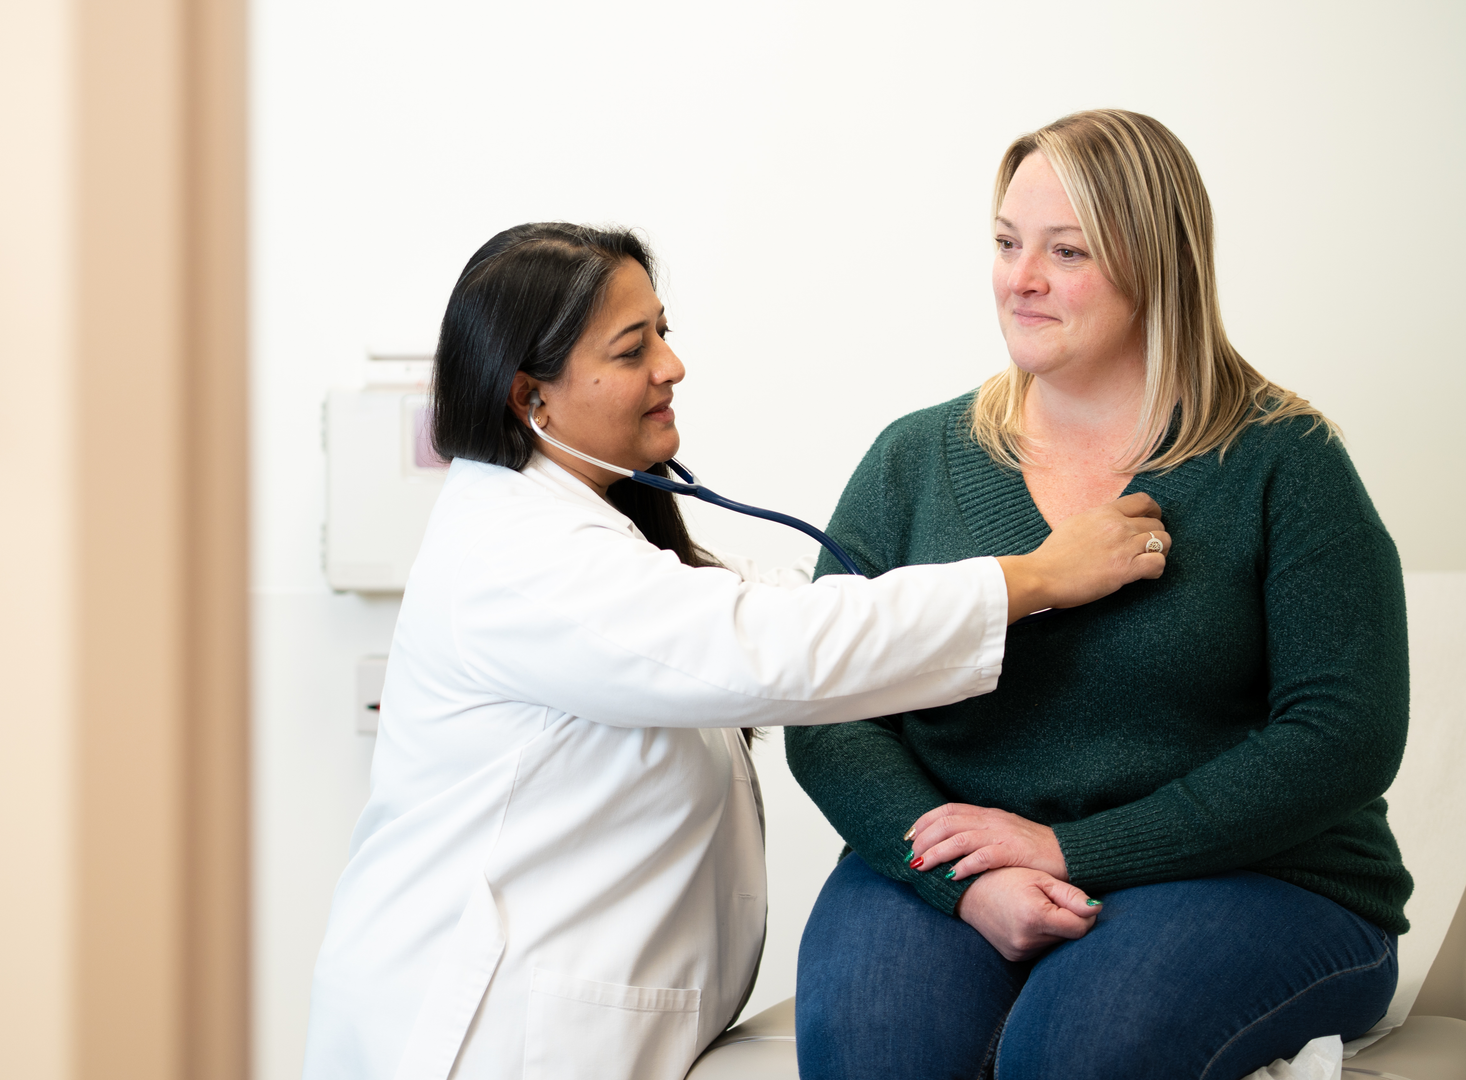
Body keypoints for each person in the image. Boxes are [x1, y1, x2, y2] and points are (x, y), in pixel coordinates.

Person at [301, 222, 1169, 1080]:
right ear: (532, 396)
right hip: (488, 1038)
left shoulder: (583, 531)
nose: (671, 367)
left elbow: (778, 602)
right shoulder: (516, 561)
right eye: (633, 349)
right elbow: (768, 649)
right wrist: (1037, 578)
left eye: (663, 335)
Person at [786, 110, 1411, 1080]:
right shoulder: (915, 460)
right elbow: (830, 705)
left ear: (1159, 264)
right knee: (874, 1047)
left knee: (1078, 1050)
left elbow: (1344, 735)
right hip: (957, 860)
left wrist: (1068, 849)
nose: (1019, 279)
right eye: (1005, 243)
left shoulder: (1286, 461)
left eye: (1065, 251)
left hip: (1251, 874)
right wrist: (965, 884)